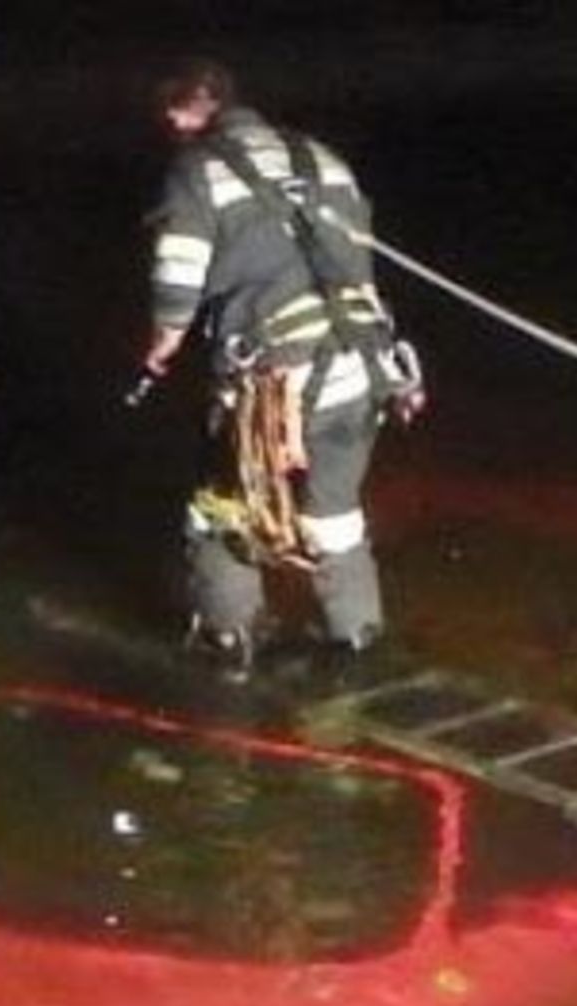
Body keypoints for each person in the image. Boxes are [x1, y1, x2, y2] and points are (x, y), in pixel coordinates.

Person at [138, 57, 425, 678]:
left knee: (218, 509)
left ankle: (229, 641)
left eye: (171, 113)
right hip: (363, 366)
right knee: (335, 513)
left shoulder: (198, 170)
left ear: (187, 109)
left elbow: (180, 270)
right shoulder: (321, 157)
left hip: (274, 380)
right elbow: (360, 256)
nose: (168, 126)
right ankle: (356, 640)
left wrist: (162, 344)